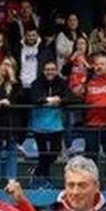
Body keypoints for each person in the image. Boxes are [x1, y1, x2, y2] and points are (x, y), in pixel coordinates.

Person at [72, 52, 106, 181]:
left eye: (102, 64)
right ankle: (90, 181)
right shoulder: (89, 81)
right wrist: (85, 78)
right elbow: (76, 92)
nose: (98, 67)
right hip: (92, 124)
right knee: (90, 156)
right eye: (96, 64)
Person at [28, 58, 68, 187]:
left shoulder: (61, 83)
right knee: (43, 153)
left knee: (55, 151)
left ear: (56, 71)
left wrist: (60, 100)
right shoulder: (36, 83)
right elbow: (33, 98)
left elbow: (70, 97)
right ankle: (44, 180)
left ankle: (38, 171)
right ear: (43, 71)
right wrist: (49, 100)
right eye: (47, 70)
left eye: (52, 70)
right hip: (39, 125)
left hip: (55, 124)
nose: (50, 72)